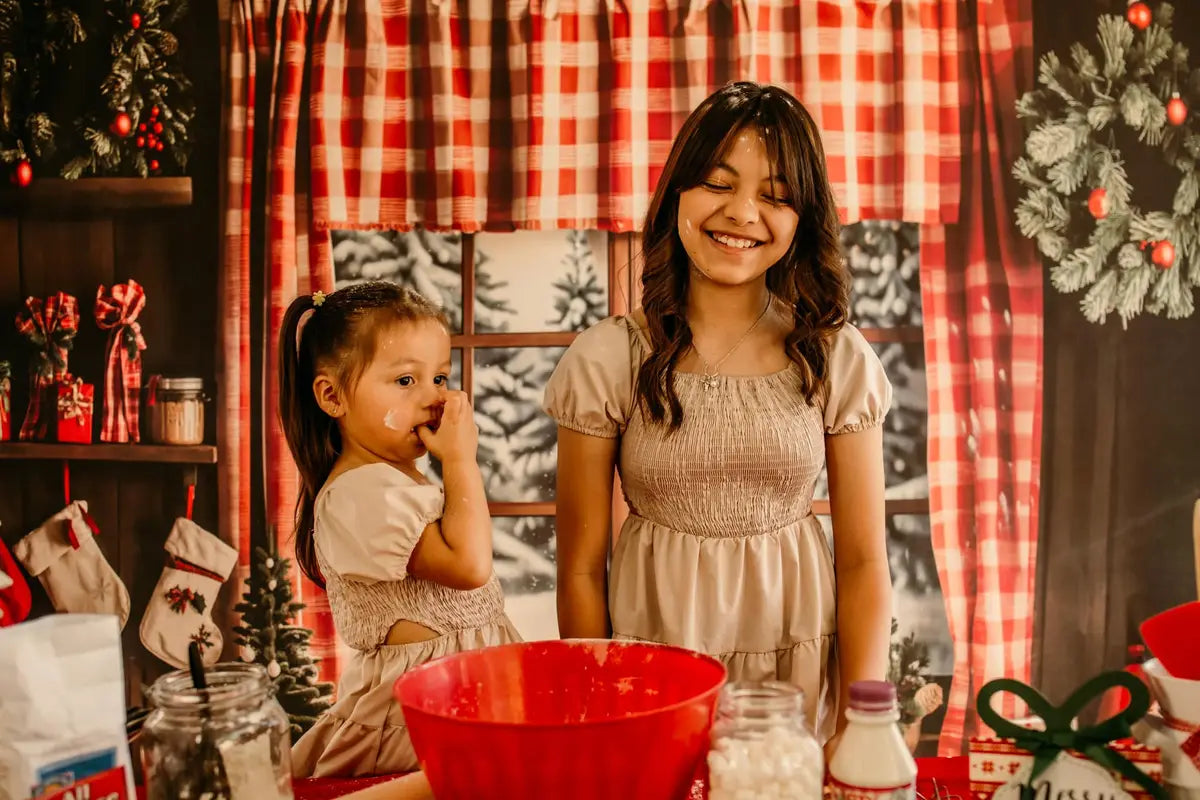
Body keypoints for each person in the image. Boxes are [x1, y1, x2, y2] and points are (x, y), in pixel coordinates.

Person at [544, 82, 894, 751]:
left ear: (802, 219)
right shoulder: (609, 357)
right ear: (677, 192)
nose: (742, 213)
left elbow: (861, 562)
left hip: (796, 685)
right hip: (650, 679)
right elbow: (582, 571)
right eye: (717, 183)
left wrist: (862, 724)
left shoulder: (834, 357)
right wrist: (594, 706)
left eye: (776, 195)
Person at [279, 281, 520, 777]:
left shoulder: (394, 482)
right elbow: (469, 565)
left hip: (460, 703)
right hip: (415, 721)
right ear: (331, 396)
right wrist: (459, 458)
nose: (434, 397)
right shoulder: (357, 496)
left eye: (439, 377)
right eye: (406, 381)